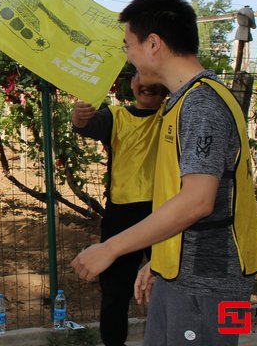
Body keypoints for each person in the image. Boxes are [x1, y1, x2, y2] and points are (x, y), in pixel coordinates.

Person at [70, 0, 257, 346]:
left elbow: (197, 201)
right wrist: (159, 261)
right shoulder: (186, 100)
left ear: (154, 43)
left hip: (206, 283)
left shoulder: (201, 105)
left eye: (128, 44)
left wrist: (111, 248)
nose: (127, 54)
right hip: (183, 276)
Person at [71, 72, 167, 346]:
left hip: (167, 213)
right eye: (141, 77)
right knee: (115, 290)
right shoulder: (116, 117)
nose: (147, 84)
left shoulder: (174, 115)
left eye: (155, 77)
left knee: (170, 282)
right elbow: (86, 126)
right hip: (122, 215)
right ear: (133, 83)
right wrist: (78, 117)